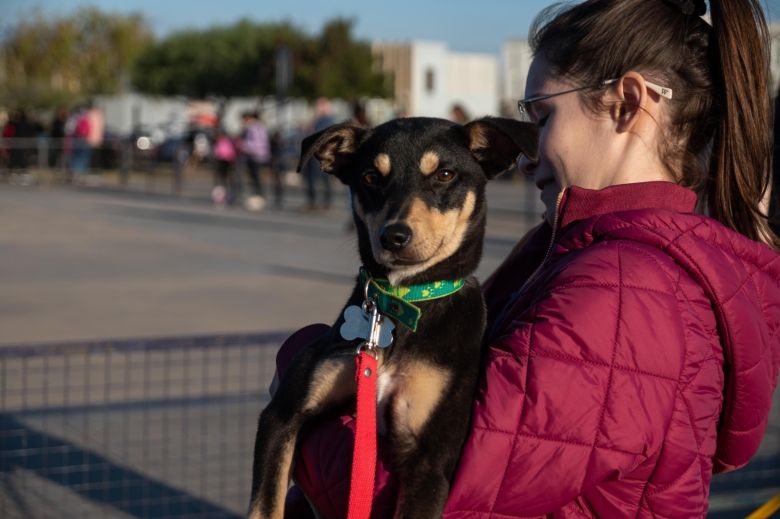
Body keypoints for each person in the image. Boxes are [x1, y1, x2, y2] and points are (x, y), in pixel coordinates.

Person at [272, 1, 780, 517]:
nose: (526, 152)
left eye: (542, 115)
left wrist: (301, 370)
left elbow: (437, 495)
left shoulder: (625, 292)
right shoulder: (577, 251)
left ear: (628, 104)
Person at [302, 98, 336, 211]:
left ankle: (325, 201)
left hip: (323, 154)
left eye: (320, 106)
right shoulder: (317, 120)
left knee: (323, 178)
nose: (318, 108)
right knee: (312, 178)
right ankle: (313, 201)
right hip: (313, 153)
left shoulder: (327, 120)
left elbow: (318, 135)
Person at [239, 111, 271, 211]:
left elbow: (257, 144)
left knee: (256, 178)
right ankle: (259, 196)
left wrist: (243, 146)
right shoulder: (260, 126)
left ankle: (259, 197)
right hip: (259, 156)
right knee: (256, 178)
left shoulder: (253, 128)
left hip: (255, 156)